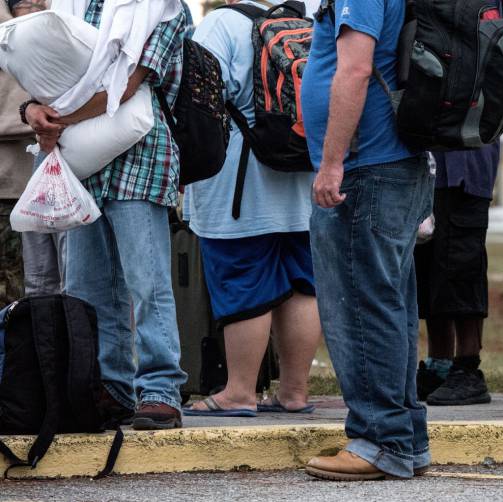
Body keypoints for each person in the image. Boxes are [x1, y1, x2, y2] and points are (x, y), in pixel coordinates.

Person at [23, 2, 189, 430]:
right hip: (82, 159)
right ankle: (110, 388)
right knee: (87, 285)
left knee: (146, 282)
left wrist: (58, 120)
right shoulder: (71, 5)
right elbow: (53, 74)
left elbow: (128, 84)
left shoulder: (165, 9)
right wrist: (32, 110)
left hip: (140, 155)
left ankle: (160, 388)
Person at [302, 0, 433, 481]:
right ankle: (405, 439)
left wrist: (331, 162)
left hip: (365, 168)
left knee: (360, 305)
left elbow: (355, 70)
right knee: (389, 304)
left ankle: (380, 440)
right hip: (391, 164)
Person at [182, 0, 321, 418]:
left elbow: (196, 101)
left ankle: (239, 392)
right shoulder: (308, 22)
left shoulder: (220, 25)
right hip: (303, 172)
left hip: (239, 183)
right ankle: (294, 391)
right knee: (302, 284)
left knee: (244, 280)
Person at [415, 144, 499, 406]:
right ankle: (440, 365)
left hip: (465, 165)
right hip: (427, 166)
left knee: (463, 268)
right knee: (429, 269)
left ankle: (468, 366)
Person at [1, 0, 66, 304]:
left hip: (51, 182)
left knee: (43, 290)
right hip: (17, 181)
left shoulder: (62, 11)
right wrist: (30, 114)